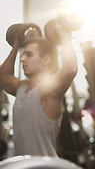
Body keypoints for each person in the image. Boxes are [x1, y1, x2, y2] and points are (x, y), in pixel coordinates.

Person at [0, 24, 78, 157]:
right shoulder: (21, 88)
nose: (22, 59)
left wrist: (64, 33)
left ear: (46, 60)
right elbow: (3, 77)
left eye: (28, 55)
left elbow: (69, 69)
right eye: (23, 54)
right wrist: (17, 44)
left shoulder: (47, 91)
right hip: (25, 166)